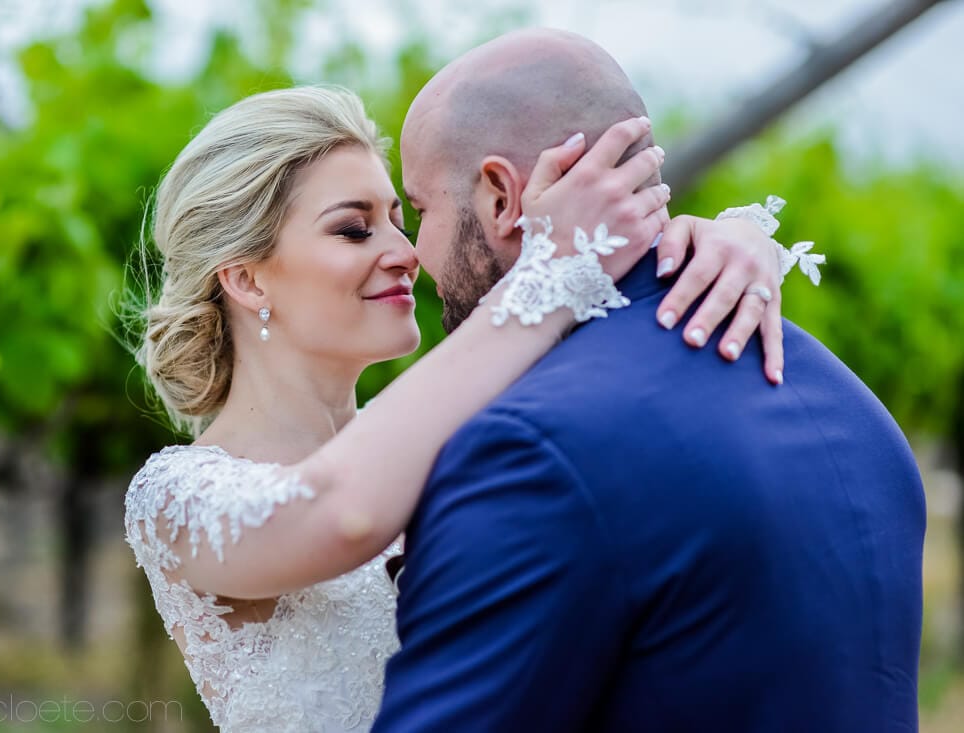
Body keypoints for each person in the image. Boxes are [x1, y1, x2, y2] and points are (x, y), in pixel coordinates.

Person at [123, 76, 799, 730]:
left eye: (401, 220)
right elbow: (338, 514)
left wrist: (715, 247)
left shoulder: (468, 436)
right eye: (354, 229)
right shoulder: (173, 499)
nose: (406, 253)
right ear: (246, 279)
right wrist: (553, 269)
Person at [371, 28, 925, 733]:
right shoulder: (856, 410)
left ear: (502, 197)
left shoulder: (529, 447)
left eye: (421, 210)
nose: (414, 253)